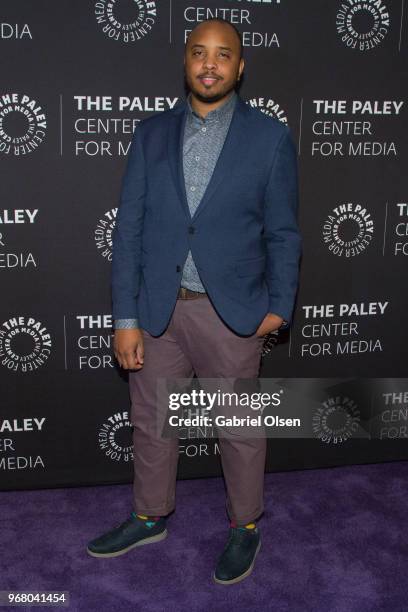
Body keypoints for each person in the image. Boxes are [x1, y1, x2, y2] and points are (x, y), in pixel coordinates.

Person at [87, 17, 302, 585]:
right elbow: (128, 228)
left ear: (240, 66)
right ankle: (149, 515)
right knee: (152, 423)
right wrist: (126, 317)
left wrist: (280, 304)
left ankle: (245, 527)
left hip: (232, 314)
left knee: (238, 428)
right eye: (199, 53)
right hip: (158, 310)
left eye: (223, 54)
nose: (210, 64)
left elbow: (283, 232)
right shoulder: (150, 133)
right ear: (185, 60)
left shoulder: (270, 138)